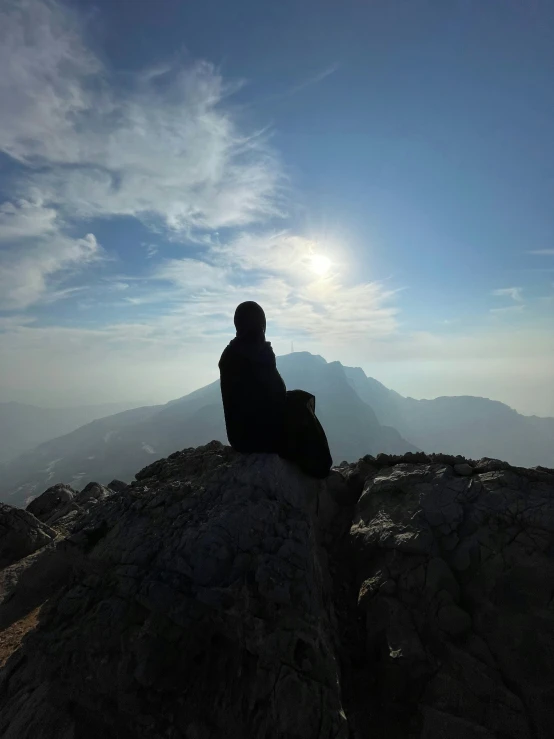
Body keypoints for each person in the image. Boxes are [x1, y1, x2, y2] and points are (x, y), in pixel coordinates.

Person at [219, 302, 332, 478]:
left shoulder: (230, 353)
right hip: (256, 437)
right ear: (261, 325)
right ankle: (319, 466)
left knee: (296, 399)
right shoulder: (257, 354)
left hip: (238, 436)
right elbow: (277, 392)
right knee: (300, 403)